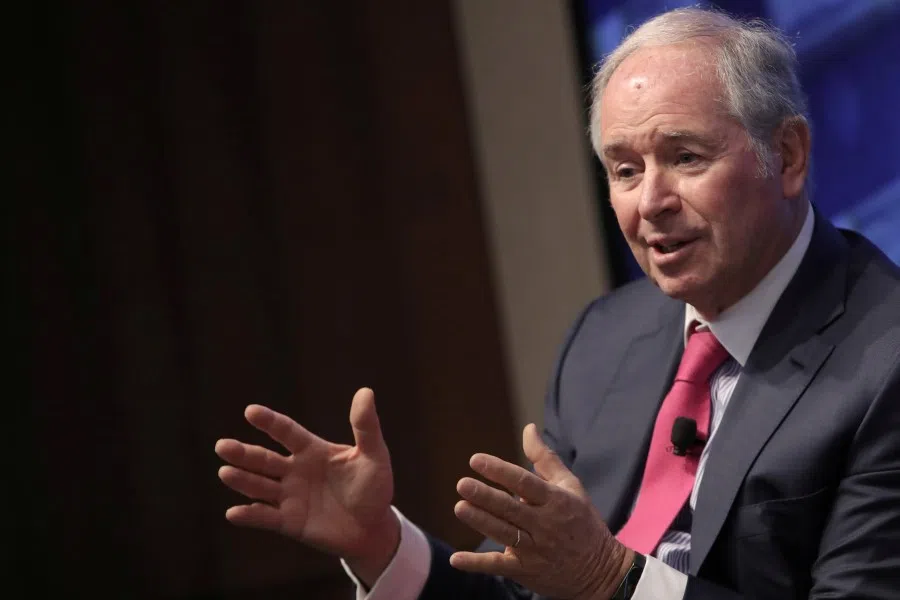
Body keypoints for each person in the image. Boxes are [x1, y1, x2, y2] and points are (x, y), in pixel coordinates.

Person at [214, 7, 900, 599]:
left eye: (686, 157)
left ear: (787, 157)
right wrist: (382, 545)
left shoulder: (885, 360)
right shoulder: (605, 339)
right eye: (625, 171)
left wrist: (610, 579)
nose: (650, 203)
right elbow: (521, 590)